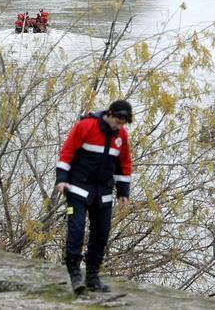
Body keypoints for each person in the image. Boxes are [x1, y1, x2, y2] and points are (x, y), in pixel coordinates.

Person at [54, 100, 133, 294]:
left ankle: (92, 276)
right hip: (78, 188)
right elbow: (67, 152)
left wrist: (123, 192)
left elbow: (124, 164)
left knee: (101, 233)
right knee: (76, 229)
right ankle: (74, 274)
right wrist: (61, 179)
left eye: (123, 123)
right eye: (117, 121)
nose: (119, 126)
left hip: (103, 192)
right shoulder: (86, 126)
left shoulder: (121, 135)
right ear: (109, 115)